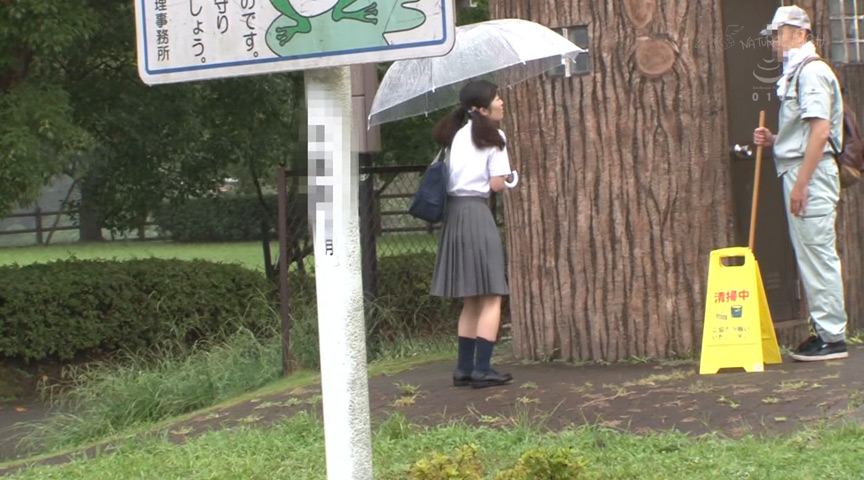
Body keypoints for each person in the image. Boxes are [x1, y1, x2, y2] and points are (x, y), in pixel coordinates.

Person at [753, 5, 848, 361]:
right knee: (810, 252)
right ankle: (825, 329)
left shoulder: (811, 72)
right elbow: (806, 133)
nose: (774, 42)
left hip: (811, 173)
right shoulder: (798, 72)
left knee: (818, 253)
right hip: (803, 169)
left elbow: (821, 132)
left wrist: (802, 183)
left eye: (778, 34)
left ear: (800, 34)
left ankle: (833, 337)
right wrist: (776, 140)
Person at [430, 80, 518, 388]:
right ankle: (483, 369)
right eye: (496, 98)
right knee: (492, 295)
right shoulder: (495, 138)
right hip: (477, 214)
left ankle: (464, 369)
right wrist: (510, 179)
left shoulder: (455, 135)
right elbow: (496, 185)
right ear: (482, 108)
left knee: (471, 299)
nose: (501, 102)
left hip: (454, 215)